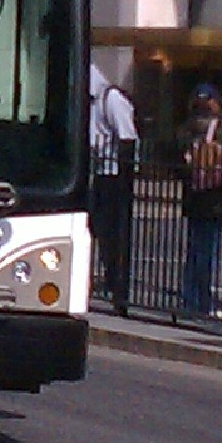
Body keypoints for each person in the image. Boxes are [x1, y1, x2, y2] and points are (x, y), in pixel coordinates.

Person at [176, 83, 222, 317]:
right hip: (217, 200)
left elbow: (176, 163)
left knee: (196, 250)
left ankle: (190, 299)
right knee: (209, 252)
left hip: (194, 198)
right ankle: (203, 303)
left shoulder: (187, 130)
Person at [89, 64, 139, 301]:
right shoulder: (91, 101)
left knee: (113, 231)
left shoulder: (111, 99)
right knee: (98, 229)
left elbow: (128, 136)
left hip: (114, 174)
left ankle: (118, 284)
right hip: (98, 172)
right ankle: (109, 278)